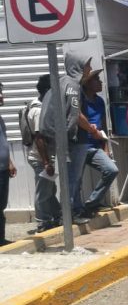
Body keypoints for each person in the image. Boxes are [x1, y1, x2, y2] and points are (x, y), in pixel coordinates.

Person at [39, 52, 108, 224]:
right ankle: (68, 216)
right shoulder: (73, 86)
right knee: (72, 179)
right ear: (78, 66)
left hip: (61, 138)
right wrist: (93, 131)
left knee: (71, 179)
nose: (89, 69)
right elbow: (76, 115)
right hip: (74, 140)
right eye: (87, 65)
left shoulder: (62, 81)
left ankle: (72, 213)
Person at [70, 68, 119, 222]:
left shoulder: (99, 101)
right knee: (76, 180)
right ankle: (75, 211)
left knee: (111, 170)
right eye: (97, 79)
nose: (101, 82)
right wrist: (90, 129)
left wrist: (105, 147)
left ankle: (91, 204)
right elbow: (75, 118)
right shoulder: (80, 99)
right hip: (79, 145)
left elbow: (103, 126)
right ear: (87, 83)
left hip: (94, 146)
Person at [25, 76, 62, 232]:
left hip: (45, 157)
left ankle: (56, 216)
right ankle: (43, 221)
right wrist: (47, 162)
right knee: (43, 191)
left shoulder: (42, 106)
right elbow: (39, 138)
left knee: (50, 189)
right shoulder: (39, 110)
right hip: (41, 158)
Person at [0, 82, 16, 246]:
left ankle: (1, 239)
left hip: (3, 168)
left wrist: (9, 162)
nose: (1, 96)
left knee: (1, 205)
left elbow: (2, 141)